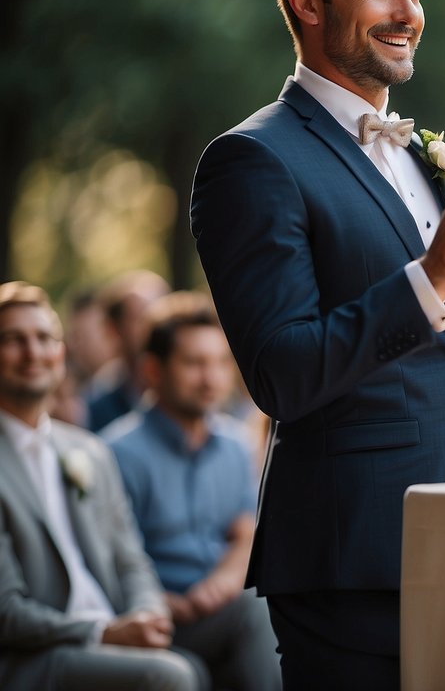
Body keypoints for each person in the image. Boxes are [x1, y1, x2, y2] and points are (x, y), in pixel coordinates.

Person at [189, 0, 445, 688]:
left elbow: (428, 362)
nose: (407, 11)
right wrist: (435, 276)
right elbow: (285, 374)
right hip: (352, 559)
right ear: (307, 2)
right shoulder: (252, 162)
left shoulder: (419, 153)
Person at [0, 281, 204, 691]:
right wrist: (104, 633)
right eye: (13, 340)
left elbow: (132, 560)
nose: (33, 353)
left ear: (61, 352)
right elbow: (6, 612)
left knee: (195, 664)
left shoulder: (88, 450)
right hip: (29, 656)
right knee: (172, 676)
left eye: (44, 338)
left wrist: (148, 613)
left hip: (109, 636)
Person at [105, 293, 281, 690]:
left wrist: (225, 580)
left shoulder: (237, 446)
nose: (212, 378)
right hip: (154, 618)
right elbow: (108, 556)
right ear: (153, 370)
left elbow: (245, 530)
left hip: (221, 608)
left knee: (261, 605)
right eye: (194, 363)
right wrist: (160, 600)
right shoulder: (115, 454)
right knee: (252, 610)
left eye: (220, 363)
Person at [86, 270, 170, 433]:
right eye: (142, 317)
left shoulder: (201, 396)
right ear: (114, 329)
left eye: (164, 318)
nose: (157, 328)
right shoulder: (96, 408)